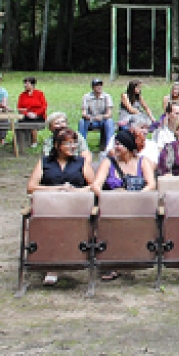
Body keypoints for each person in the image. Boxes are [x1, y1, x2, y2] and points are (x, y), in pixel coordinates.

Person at [26, 127, 97, 286]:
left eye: (74, 143)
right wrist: (56, 189)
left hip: (75, 208)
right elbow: (31, 187)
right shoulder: (44, 162)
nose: (72, 147)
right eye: (68, 143)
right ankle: (52, 266)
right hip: (50, 207)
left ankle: (67, 260)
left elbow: (94, 186)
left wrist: (76, 191)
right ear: (57, 145)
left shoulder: (81, 162)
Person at [92, 127, 156, 281]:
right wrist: (109, 198)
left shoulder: (143, 162)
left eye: (119, 144)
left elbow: (151, 184)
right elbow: (96, 185)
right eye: (115, 144)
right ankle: (112, 262)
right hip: (113, 206)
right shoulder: (108, 162)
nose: (116, 147)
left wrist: (136, 197)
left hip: (137, 205)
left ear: (128, 146)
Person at [79, 78, 115, 150]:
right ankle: (81, 146)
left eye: (100, 85)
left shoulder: (107, 96)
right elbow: (83, 113)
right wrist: (87, 116)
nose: (99, 87)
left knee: (110, 121)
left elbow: (109, 114)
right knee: (82, 122)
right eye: (97, 85)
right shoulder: (86, 97)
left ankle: (110, 146)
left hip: (103, 120)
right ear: (93, 87)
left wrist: (102, 117)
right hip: (91, 120)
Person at [17, 77, 47, 147]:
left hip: (38, 115)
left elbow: (44, 106)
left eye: (27, 84)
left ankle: (34, 141)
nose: (25, 85)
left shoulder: (39, 94)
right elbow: (19, 108)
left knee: (33, 121)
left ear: (32, 85)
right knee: (19, 122)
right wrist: (27, 113)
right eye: (24, 83)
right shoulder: (22, 95)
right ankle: (20, 141)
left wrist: (36, 114)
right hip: (26, 115)